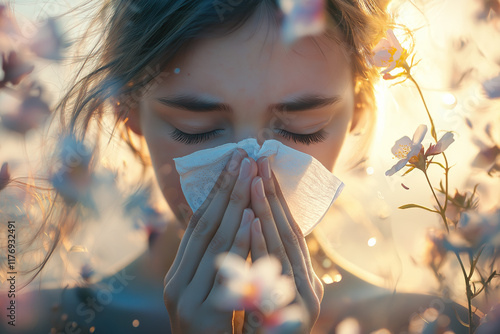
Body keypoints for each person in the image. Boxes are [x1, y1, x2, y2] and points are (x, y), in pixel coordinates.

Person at [0, 0, 475, 333]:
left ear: (361, 110)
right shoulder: (37, 323)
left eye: (303, 128)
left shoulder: (438, 325)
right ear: (129, 113)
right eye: (197, 128)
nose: (251, 169)